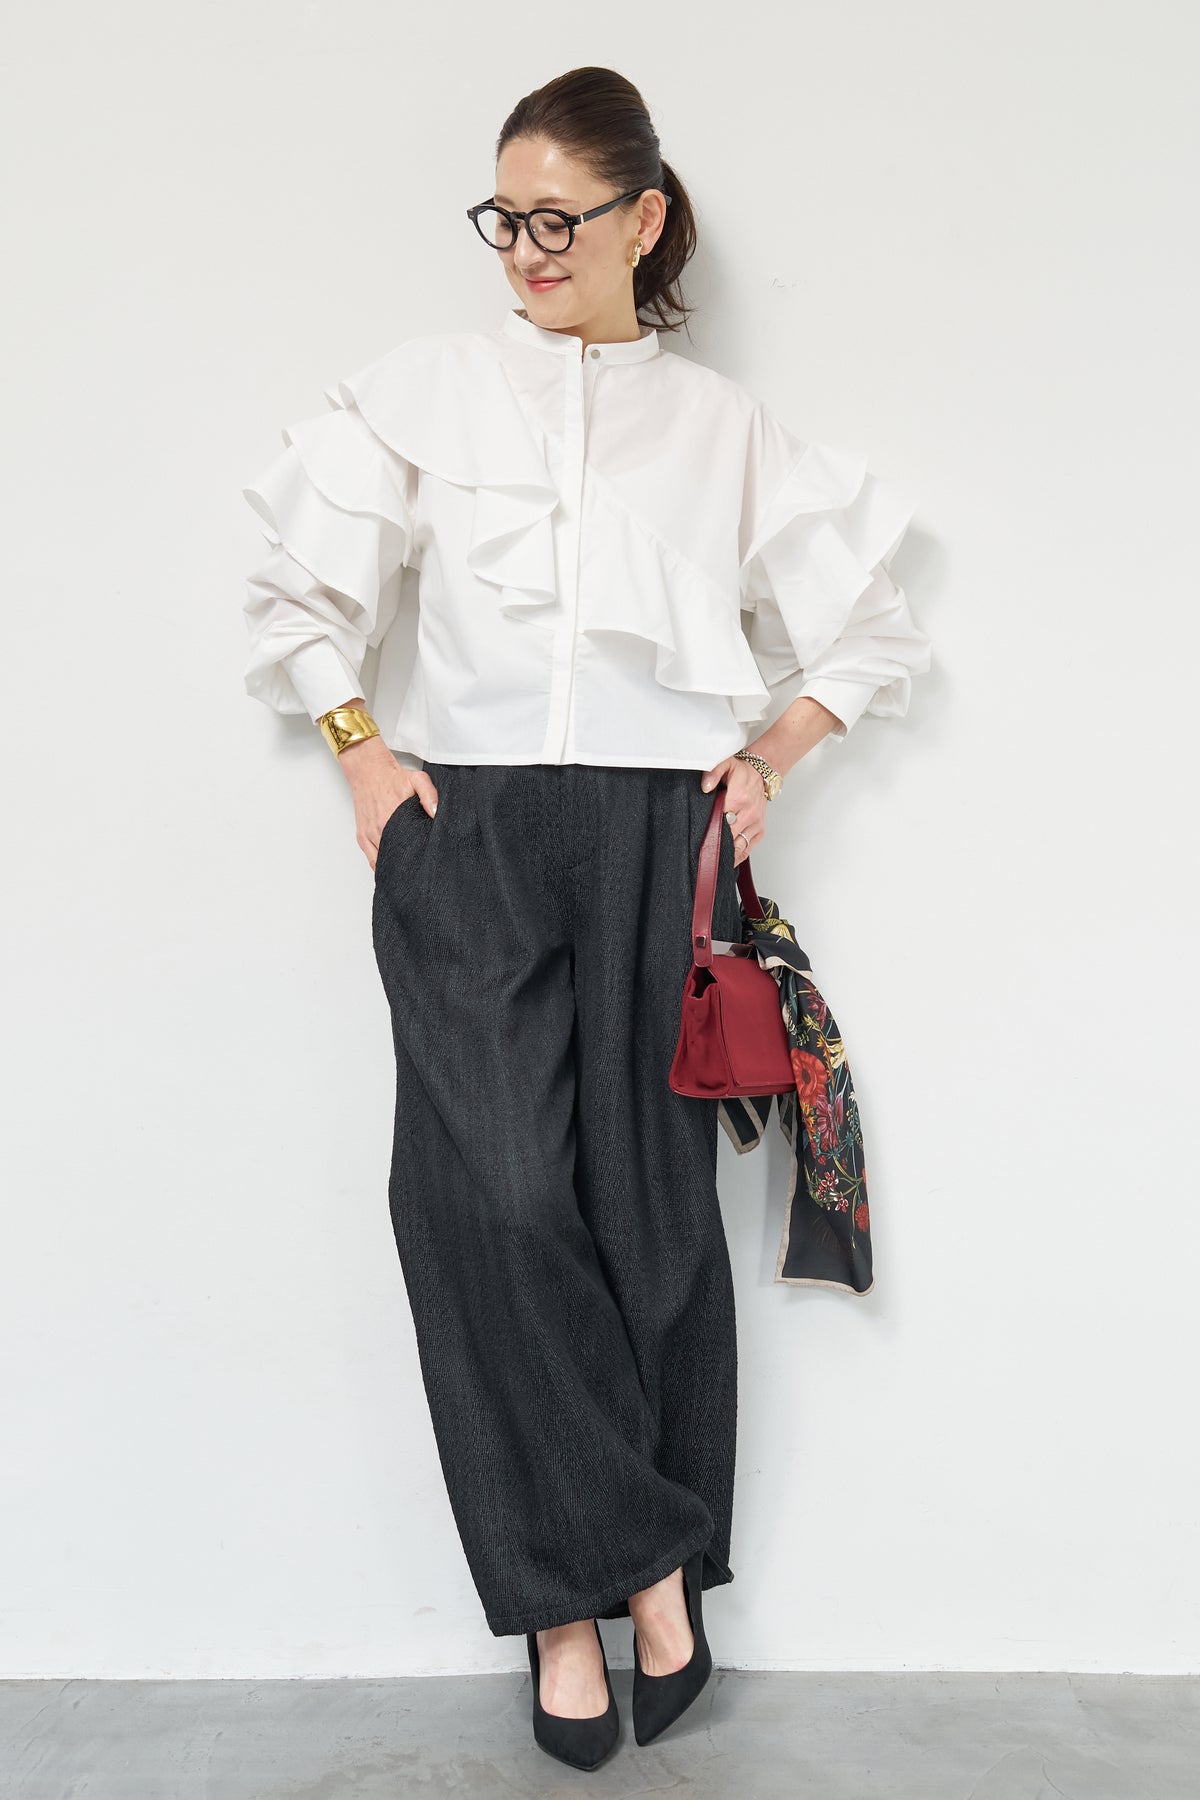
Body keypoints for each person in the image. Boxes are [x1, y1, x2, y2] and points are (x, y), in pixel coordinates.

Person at [240, 66, 931, 1771]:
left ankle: (605, 1585)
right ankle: (616, 1582)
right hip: (463, 827)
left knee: (649, 1218)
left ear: (646, 219)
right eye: (504, 218)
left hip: (653, 836)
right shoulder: (423, 392)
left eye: (560, 218)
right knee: (484, 1202)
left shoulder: (723, 430)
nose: (526, 249)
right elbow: (297, 597)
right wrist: (361, 753)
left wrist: (766, 760)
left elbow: (868, 634)